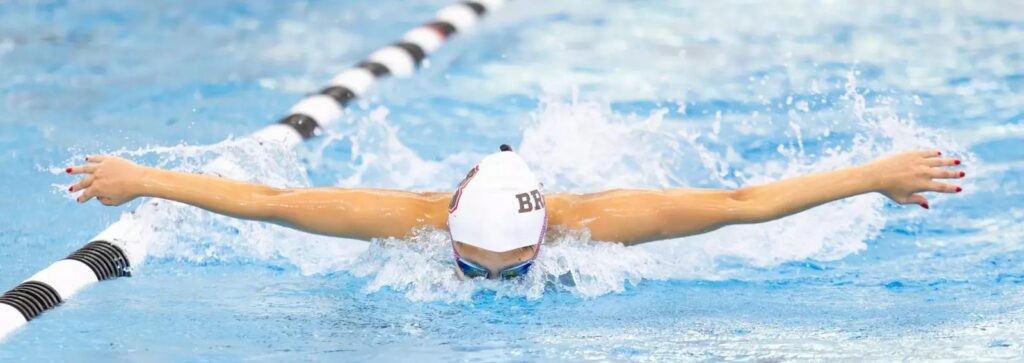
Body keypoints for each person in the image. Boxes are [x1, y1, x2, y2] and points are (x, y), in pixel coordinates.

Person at [65, 145, 965, 280]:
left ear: (545, 236)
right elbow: (267, 201)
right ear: (446, 228)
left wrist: (876, 174)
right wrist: (143, 176)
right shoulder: (397, 218)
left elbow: (744, 204)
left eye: (511, 268)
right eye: (470, 266)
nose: (492, 282)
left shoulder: (600, 222)